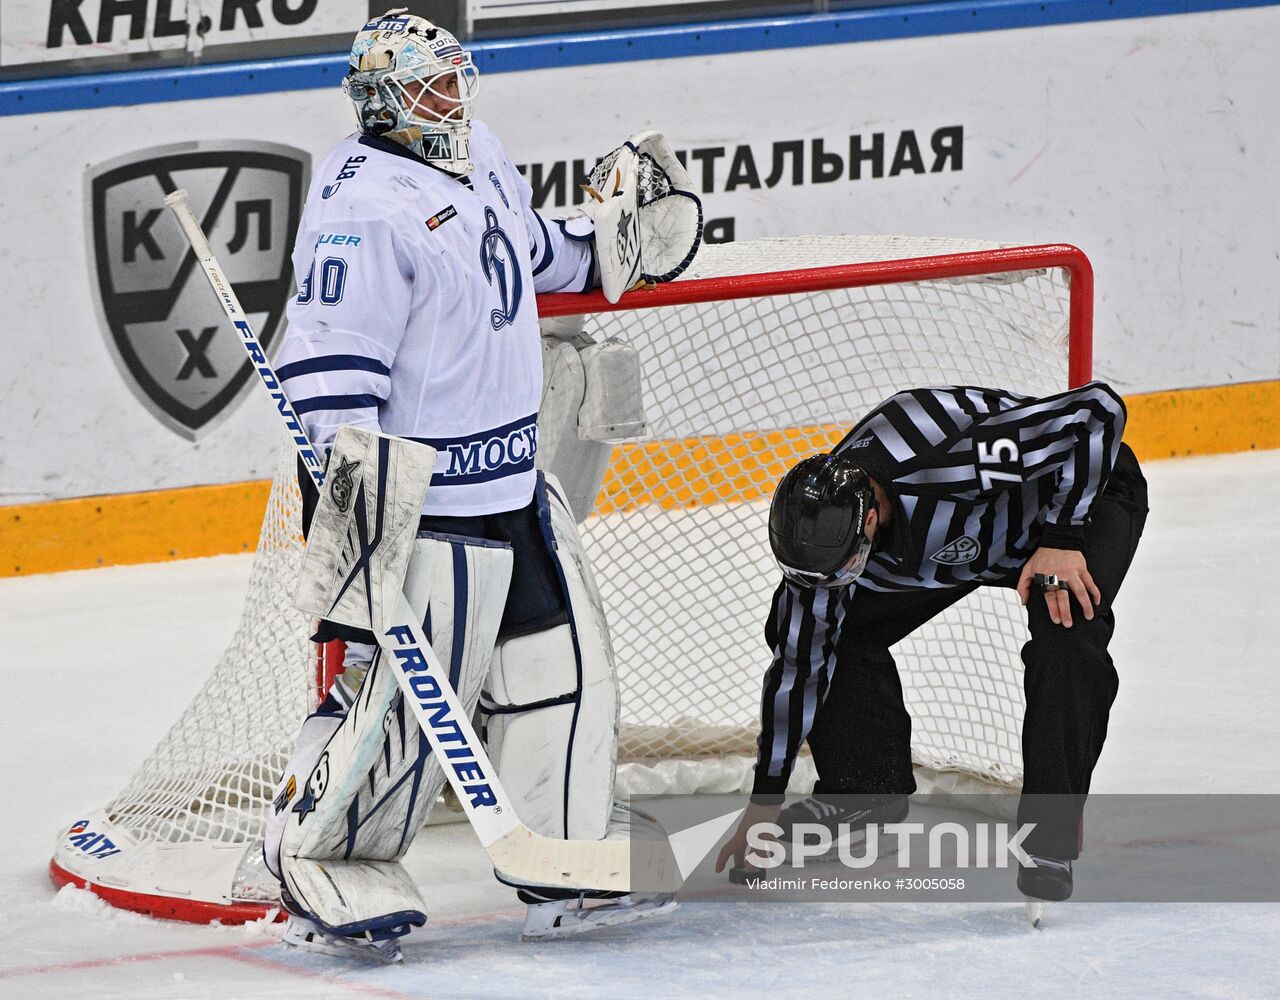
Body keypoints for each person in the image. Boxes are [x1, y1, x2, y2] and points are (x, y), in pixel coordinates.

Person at [261, 9, 699, 960]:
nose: (453, 99)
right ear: (382, 104)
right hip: (427, 512)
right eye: (430, 87)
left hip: (517, 486)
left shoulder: (481, 150)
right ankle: (313, 853)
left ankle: (565, 864)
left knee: (567, 684)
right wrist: (357, 508)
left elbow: (518, 252)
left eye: (457, 79)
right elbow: (328, 368)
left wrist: (601, 246)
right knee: (406, 713)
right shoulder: (358, 207)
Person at [716, 382, 1148, 904]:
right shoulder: (828, 539)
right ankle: (865, 790)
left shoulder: (948, 459)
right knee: (818, 631)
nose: (830, 587)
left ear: (870, 520)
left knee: (1068, 639)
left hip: (1063, 514)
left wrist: (1063, 538)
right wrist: (764, 802)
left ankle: (1050, 833)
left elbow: (1095, 412)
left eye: (843, 571)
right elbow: (798, 669)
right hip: (959, 545)